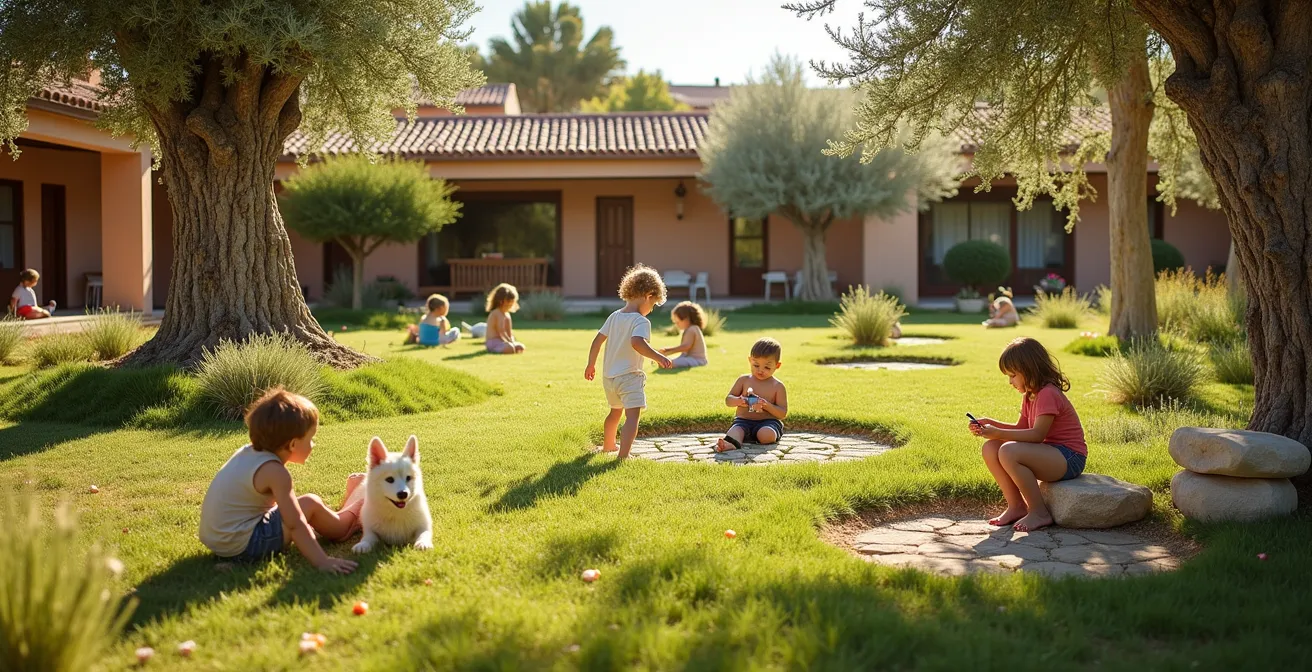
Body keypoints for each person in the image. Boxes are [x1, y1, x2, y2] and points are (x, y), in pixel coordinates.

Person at [198, 388, 362, 573]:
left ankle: (351, 500)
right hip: (245, 546)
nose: (313, 444)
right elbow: (295, 523)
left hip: (219, 543)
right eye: (311, 439)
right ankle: (356, 507)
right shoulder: (275, 472)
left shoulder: (246, 453)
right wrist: (322, 561)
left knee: (299, 506)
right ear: (292, 444)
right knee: (309, 503)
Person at [969, 336, 1087, 532]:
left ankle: (1039, 512)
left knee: (1008, 451)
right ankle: (1016, 506)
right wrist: (991, 424)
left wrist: (998, 432)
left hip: (1069, 457)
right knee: (991, 447)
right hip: (1048, 453)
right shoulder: (1030, 395)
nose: (1010, 381)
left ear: (1029, 370)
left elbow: (1036, 435)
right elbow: (1021, 429)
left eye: (1013, 375)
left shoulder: (1048, 393)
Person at [584, 264, 672, 458]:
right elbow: (637, 343)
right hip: (629, 377)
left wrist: (591, 364)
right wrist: (659, 357)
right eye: (654, 304)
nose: (651, 310)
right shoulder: (640, 321)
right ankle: (623, 456)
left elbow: (597, 341)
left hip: (609, 378)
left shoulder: (614, 316)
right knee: (632, 417)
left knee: (614, 413)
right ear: (649, 295)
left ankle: (608, 446)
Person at [716, 338, 789, 452]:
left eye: (767, 367)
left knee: (766, 435)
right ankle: (730, 444)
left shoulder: (778, 386)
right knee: (734, 432)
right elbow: (728, 400)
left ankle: (761, 435)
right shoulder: (744, 380)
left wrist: (765, 405)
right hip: (743, 421)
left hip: (768, 422)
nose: (760, 370)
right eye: (756, 365)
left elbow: (782, 413)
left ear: (777, 365)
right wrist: (740, 401)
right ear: (750, 360)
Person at [660, 301, 709, 368]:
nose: (677, 325)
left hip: (697, 360)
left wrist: (668, 350)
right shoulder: (690, 329)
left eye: (678, 322)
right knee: (664, 360)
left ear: (687, 319)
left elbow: (685, 347)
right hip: (689, 358)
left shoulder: (692, 329)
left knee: (667, 362)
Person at [484, 283, 525, 354]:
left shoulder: (507, 315)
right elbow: (501, 331)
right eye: (509, 302)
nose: (511, 304)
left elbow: (509, 332)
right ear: (501, 301)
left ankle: (507, 347)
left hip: (503, 342)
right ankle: (493, 350)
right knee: (510, 348)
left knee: (520, 347)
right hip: (493, 342)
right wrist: (510, 342)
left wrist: (512, 340)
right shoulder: (496, 313)